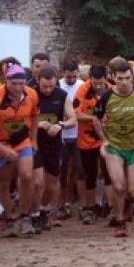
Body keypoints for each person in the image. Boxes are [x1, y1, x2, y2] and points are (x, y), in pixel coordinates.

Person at [93, 60, 134, 237]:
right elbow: (96, 119)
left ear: (133, 78)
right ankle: (120, 221)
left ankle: (128, 206)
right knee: (119, 186)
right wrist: (104, 140)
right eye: (120, 78)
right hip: (115, 146)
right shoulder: (106, 96)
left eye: (127, 78)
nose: (124, 82)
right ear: (113, 78)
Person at [32, 66, 77, 231]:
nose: (48, 90)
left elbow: (73, 119)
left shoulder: (62, 96)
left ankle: (44, 210)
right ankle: (33, 214)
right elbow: (23, 120)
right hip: (35, 143)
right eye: (44, 87)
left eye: (51, 86)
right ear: (38, 82)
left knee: (52, 183)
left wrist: (60, 125)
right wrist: (38, 124)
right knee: (37, 182)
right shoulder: (30, 95)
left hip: (54, 144)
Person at [0, 63, 38, 236]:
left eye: (21, 84)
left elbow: (35, 117)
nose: (17, 87)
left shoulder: (31, 95)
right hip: (1, 142)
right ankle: (8, 220)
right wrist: (2, 149)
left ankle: (25, 216)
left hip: (22, 141)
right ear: (5, 81)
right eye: (13, 84)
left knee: (27, 175)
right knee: (4, 182)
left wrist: (34, 140)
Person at [73, 65, 109, 225]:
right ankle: (88, 207)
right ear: (90, 79)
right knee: (90, 174)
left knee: (108, 173)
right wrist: (95, 119)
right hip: (86, 140)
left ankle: (107, 205)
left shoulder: (111, 90)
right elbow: (76, 114)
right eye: (95, 83)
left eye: (101, 82)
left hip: (106, 139)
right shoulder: (82, 90)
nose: (99, 86)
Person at [57, 59, 84, 220]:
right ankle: (63, 203)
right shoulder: (58, 86)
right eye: (69, 77)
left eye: (74, 76)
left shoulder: (82, 86)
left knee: (79, 170)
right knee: (63, 171)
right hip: (62, 134)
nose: (71, 79)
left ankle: (81, 204)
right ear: (63, 74)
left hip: (78, 134)